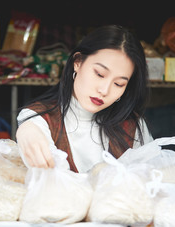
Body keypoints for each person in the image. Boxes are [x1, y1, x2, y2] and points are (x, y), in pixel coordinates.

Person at [16, 25, 153, 173]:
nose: (104, 90)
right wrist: (26, 129)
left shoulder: (133, 126)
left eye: (119, 84)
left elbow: (154, 178)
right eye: (99, 74)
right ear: (78, 62)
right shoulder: (40, 118)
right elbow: (32, 128)